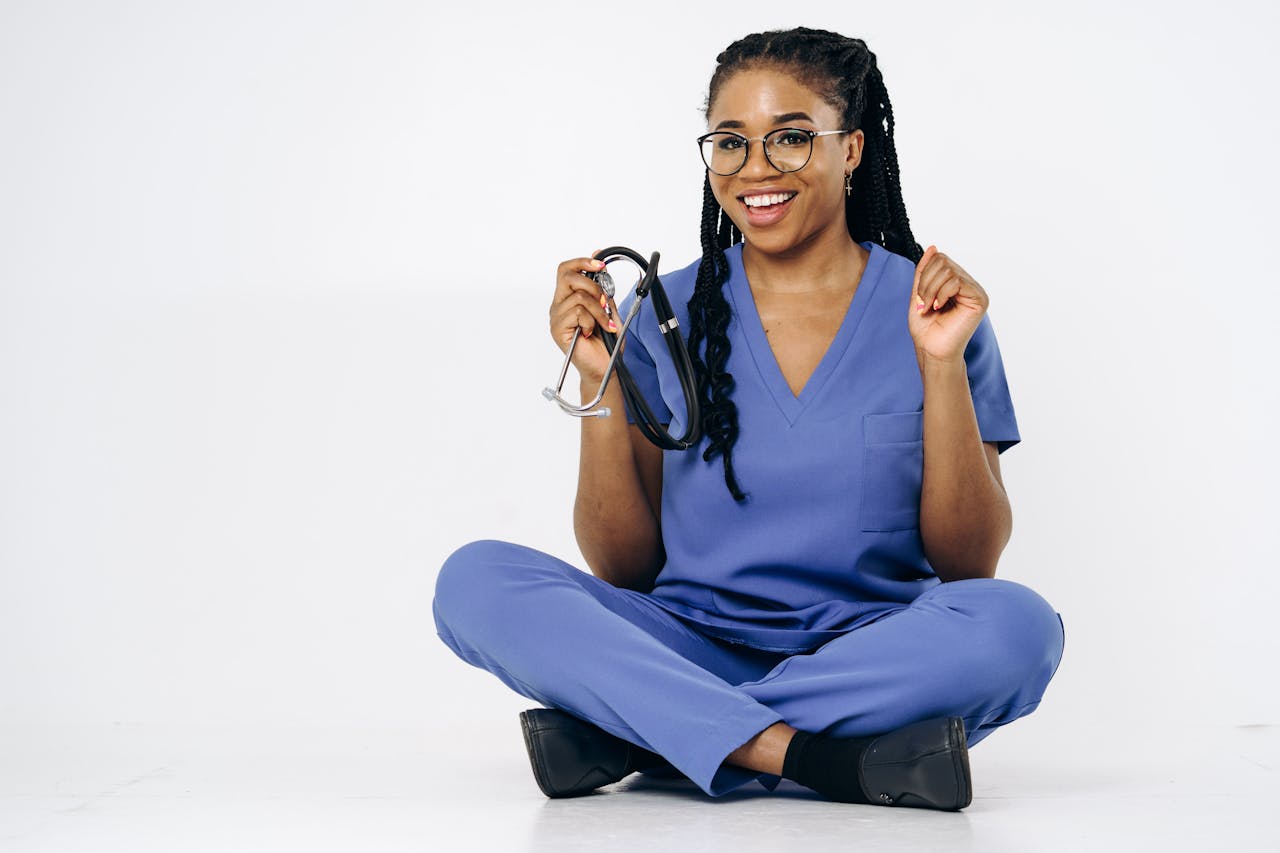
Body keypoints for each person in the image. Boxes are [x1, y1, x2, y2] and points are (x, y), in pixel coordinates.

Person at [432, 26, 1064, 811]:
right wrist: (602, 384)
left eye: (792, 138)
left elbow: (970, 565)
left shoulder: (935, 313)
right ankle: (813, 758)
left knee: (1019, 627)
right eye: (730, 142)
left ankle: (645, 732)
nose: (756, 169)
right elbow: (623, 569)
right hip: (686, 645)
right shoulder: (666, 314)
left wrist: (938, 364)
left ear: (854, 149)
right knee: (474, 579)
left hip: (868, 655)